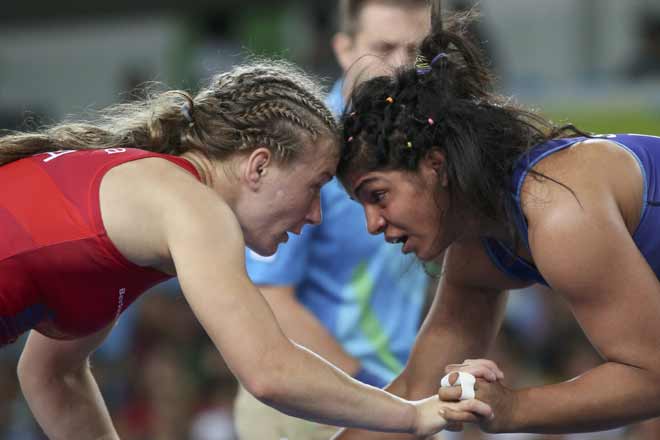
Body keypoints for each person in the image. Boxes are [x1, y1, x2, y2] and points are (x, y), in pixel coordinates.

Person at [0, 58, 494, 439]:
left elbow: (52, 374)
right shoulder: (191, 206)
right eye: (315, 186)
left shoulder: (145, 214)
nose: (315, 216)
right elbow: (270, 371)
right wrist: (412, 416)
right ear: (258, 167)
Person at [332, 1, 660, 437]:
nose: (372, 223)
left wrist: (514, 409)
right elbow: (413, 395)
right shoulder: (479, 248)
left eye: (377, 195)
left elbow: (652, 376)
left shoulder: (557, 209)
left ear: (435, 165)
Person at [233, 2, 432, 439]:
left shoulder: (424, 139)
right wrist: (374, 392)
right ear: (344, 49)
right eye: (383, 47)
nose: (401, 67)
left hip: (397, 394)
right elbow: (266, 297)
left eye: (415, 52)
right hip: (309, 405)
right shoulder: (304, 153)